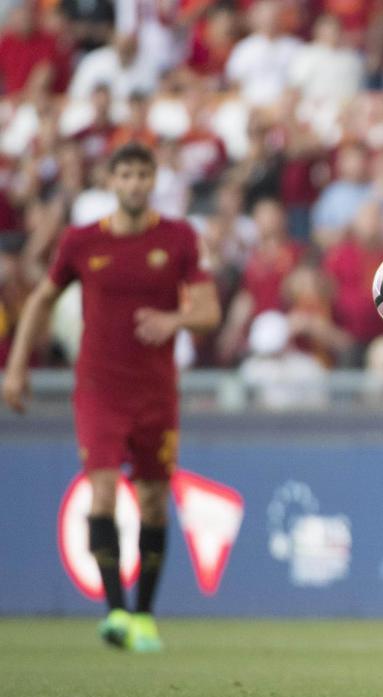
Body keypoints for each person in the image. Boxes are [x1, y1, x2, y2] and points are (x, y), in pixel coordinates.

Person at [2, 143, 221, 652]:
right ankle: (116, 611)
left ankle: (144, 614)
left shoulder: (179, 237)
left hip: (155, 393)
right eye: (125, 175)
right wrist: (15, 368)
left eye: (143, 174)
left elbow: (208, 311)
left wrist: (175, 319)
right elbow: (41, 300)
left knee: (152, 502)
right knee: (102, 492)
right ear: (111, 181)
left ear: (153, 180)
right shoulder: (81, 242)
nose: (135, 184)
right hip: (99, 391)